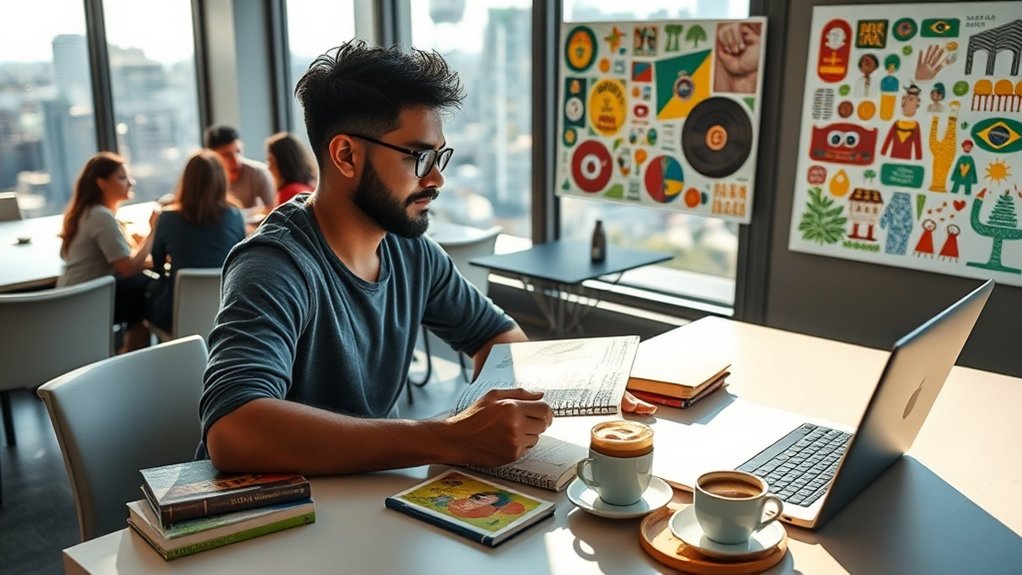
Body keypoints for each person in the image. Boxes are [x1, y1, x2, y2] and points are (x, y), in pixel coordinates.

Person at [198, 40, 653, 476]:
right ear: (345, 155)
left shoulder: (410, 250)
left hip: (363, 507)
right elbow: (234, 429)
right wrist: (448, 437)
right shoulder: (273, 265)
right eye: (418, 157)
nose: (436, 178)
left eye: (440, 157)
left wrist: (573, 393)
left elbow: (497, 336)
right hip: (266, 528)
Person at [57, 152, 159, 353]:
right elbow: (128, 267)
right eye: (122, 178)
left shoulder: (88, 212)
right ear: (101, 183)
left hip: (75, 295)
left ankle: (129, 355)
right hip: (85, 300)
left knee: (139, 296)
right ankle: (134, 358)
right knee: (146, 291)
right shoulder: (101, 217)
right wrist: (153, 231)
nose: (131, 182)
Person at [144, 150, 247, 332]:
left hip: (175, 317)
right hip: (227, 314)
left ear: (186, 182)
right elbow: (240, 261)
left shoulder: (167, 218)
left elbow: (157, 263)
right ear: (221, 181)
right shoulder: (235, 216)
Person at [203, 124, 275, 212]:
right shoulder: (205, 178)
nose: (236, 160)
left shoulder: (258, 172)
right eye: (227, 155)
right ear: (211, 155)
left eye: (238, 151)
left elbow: (272, 209)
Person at [265, 132, 317, 206]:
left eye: (270, 161)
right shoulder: (310, 187)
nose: (268, 167)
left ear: (282, 163)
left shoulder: (289, 193)